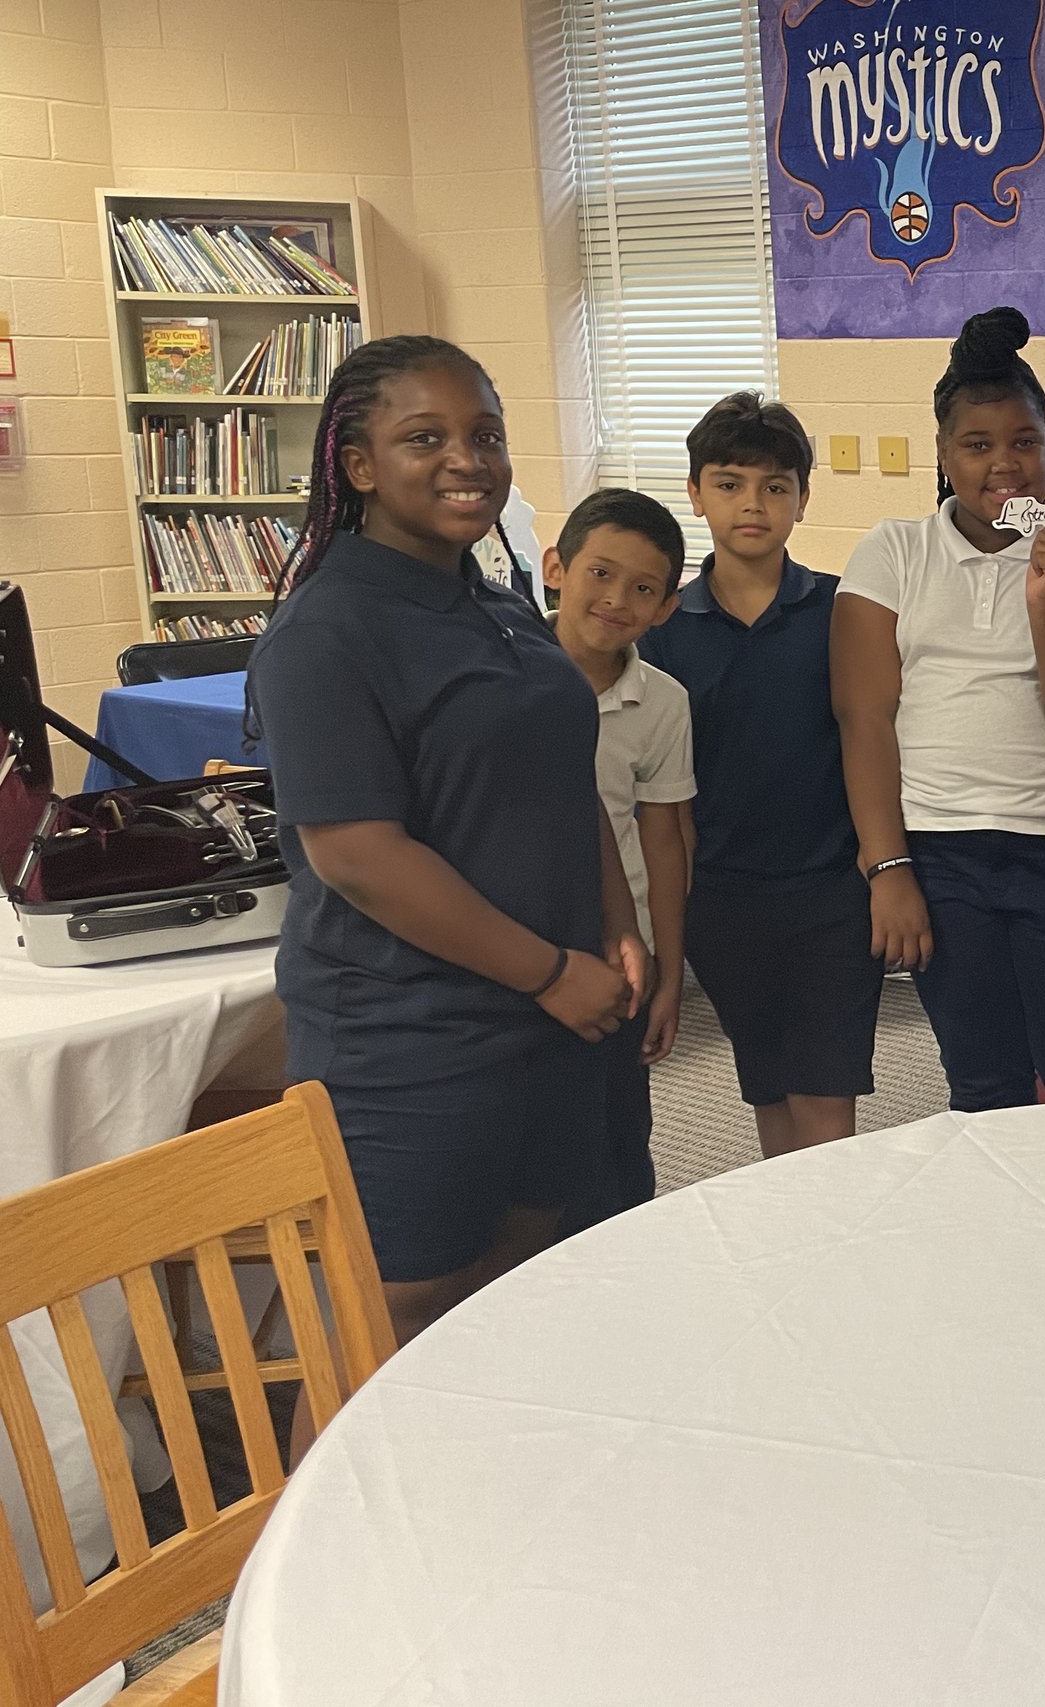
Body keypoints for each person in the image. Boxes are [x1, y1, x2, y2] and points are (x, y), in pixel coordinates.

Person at [247, 334, 644, 1371]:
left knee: (515, 1279)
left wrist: (616, 925)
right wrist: (555, 972)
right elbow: (357, 855)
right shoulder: (326, 632)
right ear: (359, 464)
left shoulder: (495, 604)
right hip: (411, 1035)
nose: (467, 458)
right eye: (425, 437)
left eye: (485, 435)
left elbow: (565, 778)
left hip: (553, 1016)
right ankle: (325, 1534)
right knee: (392, 1313)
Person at [832, 309, 1045, 1111]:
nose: (1006, 464)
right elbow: (864, 722)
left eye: (1026, 441)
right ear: (942, 452)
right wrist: (887, 868)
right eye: (978, 444)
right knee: (984, 1082)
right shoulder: (892, 551)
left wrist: (1044, 605)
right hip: (941, 858)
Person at [639, 393, 880, 1155]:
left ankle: (836, 1254)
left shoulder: (842, 609)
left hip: (833, 893)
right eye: (730, 482)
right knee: (771, 1093)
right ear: (695, 494)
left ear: (804, 499)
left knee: (825, 1099)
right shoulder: (663, 629)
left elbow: (872, 742)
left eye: (776, 486)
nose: (753, 503)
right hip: (723, 900)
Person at [541, 487, 696, 1218]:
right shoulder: (501, 673)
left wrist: (668, 969)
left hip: (620, 950)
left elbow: (666, 840)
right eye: (600, 573)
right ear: (555, 568)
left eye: (643, 588)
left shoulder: (661, 701)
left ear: (666, 607)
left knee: (619, 1145)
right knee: (530, 1153)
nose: (616, 599)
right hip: (524, 939)